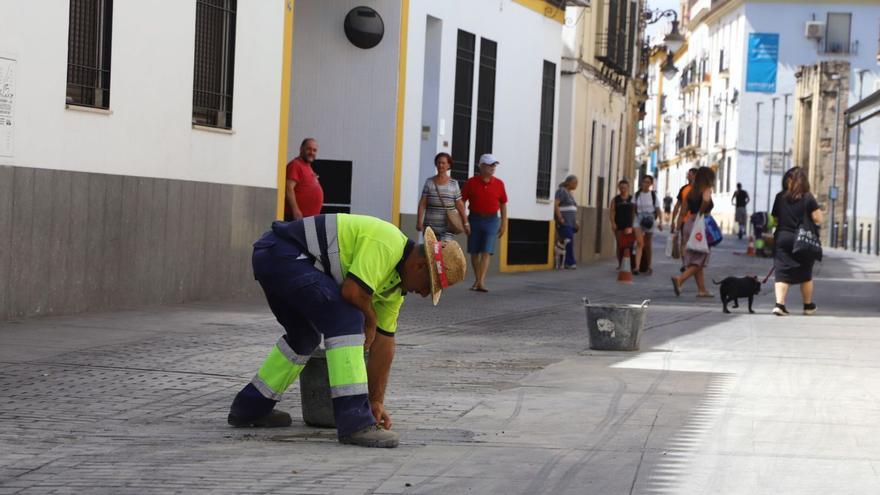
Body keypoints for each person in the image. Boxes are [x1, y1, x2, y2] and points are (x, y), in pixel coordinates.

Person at [227, 214, 467, 448]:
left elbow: (384, 344)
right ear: (419, 266)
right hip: (282, 253)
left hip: (277, 258)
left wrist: (375, 402)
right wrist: (370, 321)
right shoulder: (388, 242)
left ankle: (250, 408)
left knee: (304, 337)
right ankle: (355, 422)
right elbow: (353, 292)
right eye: (428, 286)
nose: (424, 294)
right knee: (347, 317)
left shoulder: (394, 289)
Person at [770, 168, 823, 316]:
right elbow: (818, 218)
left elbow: (775, 218)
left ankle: (780, 305)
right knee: (805, 274)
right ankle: (808, 306)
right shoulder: (808, 198)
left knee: (782, 272)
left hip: (783, 238)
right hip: (803, 240)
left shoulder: (779, 197)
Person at [461, 153, 508, 292]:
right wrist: (464, 220)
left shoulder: (499, 183)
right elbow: (461, 201)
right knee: (474, 251)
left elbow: (503, 204)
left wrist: (504, 223)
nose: (493, 167)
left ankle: (480, 281)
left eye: (494, 165)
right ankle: (478, 280)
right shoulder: (471, 183)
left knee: (487, 251)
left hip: (492, 220)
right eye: (490, 165)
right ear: (481, 166)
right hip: (474, 218)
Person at [671, 167, 716, 298]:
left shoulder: (691, 191)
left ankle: (702, 290)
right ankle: (680, 279)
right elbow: (706, 201)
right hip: (700, 226)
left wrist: (677, 230)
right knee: (701, 259)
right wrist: (701, 213)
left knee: (695, 259)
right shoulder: (706, 189)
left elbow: (683, 212)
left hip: (688, 224)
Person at [417, 152, 470, 240]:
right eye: (438, 163)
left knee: (445, 247)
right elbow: (422, 203)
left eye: (443, 163)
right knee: (432, 249)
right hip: (430, 227)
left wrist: (466, 222)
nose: (441, 165)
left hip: (447, 227)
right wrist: (419, 221)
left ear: (448, 165)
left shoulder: (453, 184)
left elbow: (459, 204)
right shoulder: (429, 182)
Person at [285, 138, 323, 221]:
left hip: (308, 219)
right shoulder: (295, 165)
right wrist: (295, 210)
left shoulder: (307, 167)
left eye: (314, 150)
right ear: (301, 149)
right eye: (309, 149)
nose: (311, 152)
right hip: (297, 217)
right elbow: (288, 188)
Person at [609, 179, 640, 274]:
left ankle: (629, 264)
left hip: (630, 225)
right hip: (619, 225)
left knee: (629, 245)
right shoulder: (615, 199)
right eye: (621, 188)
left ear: (628, 188)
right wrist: (613, 223)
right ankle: (620, 263)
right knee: (620, 245)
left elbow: (635, 212)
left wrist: (634, 225)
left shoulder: (632, 199)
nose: (623, 189)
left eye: (625, 188)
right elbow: (612, 212)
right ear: (618, 188)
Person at [671, 168, 698, 273]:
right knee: (683, 242)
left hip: (696, 221)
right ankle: (685, 264)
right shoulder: (684, 189)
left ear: (695, 176)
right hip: (683, 219)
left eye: (690, 174)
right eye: (688, 174)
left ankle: (691, 263)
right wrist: (673, 221)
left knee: (693, 243)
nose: (688, 176)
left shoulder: (700, 189)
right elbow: (677, 205)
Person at [634, 175, 662, 274]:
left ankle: (649, 265)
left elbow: (658, 209)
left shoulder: (653, 195)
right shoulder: (637, 195)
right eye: (644, 181)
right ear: (641, 183)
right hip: (638, 218)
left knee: (648, 244)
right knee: (640, 243)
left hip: (650, 218)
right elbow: (633, 208)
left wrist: (660, 222)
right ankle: (637, 267)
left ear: (651, 184)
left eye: (648, 182)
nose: (646, 184)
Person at [554, 175, 580, 269]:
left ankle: (568, 261)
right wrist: (560, 217)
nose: (576, 185)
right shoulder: (562, 191)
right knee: (568, 240)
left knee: (569, 240)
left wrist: (575, 222)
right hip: (564, 221)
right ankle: (569, 262)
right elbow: (556, 204)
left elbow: (572, 208)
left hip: (570, 222)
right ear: (569, 183)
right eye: (575, 183)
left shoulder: (570, 193)